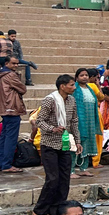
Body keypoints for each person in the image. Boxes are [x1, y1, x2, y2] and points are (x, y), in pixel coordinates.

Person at [33, 74, 82, 215]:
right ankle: (39, 210)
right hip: (49, 144)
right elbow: (39, 121)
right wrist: (52, 129)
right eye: (71, 85)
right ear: (62, 86)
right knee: (53, 179)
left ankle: (57, 209)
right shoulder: (50, 100)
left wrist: (77, 141)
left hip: (65, 144)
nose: (74, 87)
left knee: (64, 180)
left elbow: (74, 122)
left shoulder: (72, 100)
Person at [71, 68, 101, 177]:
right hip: (78, 122)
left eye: (86, 75)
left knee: (87, 145)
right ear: (77, 77)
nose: (85, 77)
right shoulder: (74, 90)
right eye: (82, 75)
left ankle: (83, 169)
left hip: (90, 122)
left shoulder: (90, 89)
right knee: (76, 145)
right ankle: (71, 170)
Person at [0, 55, 27, 173]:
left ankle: (3, 162)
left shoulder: (2, 74)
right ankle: (6, 165)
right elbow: (23, 89)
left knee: (4, 137)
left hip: (4, 108)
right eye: (13, 63)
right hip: (12, 108)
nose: (16, 65)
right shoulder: (11, 75)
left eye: (17, 63)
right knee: (10, 138)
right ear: (6, 64)